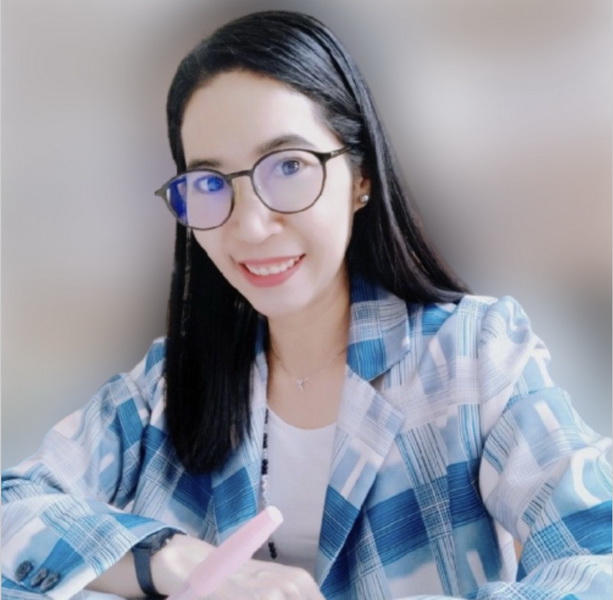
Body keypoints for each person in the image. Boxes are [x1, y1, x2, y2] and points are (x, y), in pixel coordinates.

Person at [2, 9, 611, 600]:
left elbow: (597, 559)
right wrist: (172, 559)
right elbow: (13, 508)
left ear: (362, 176)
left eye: (289, 166)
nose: (250, 225)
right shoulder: (164, 389)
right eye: (210, 182)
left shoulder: (474, 356)